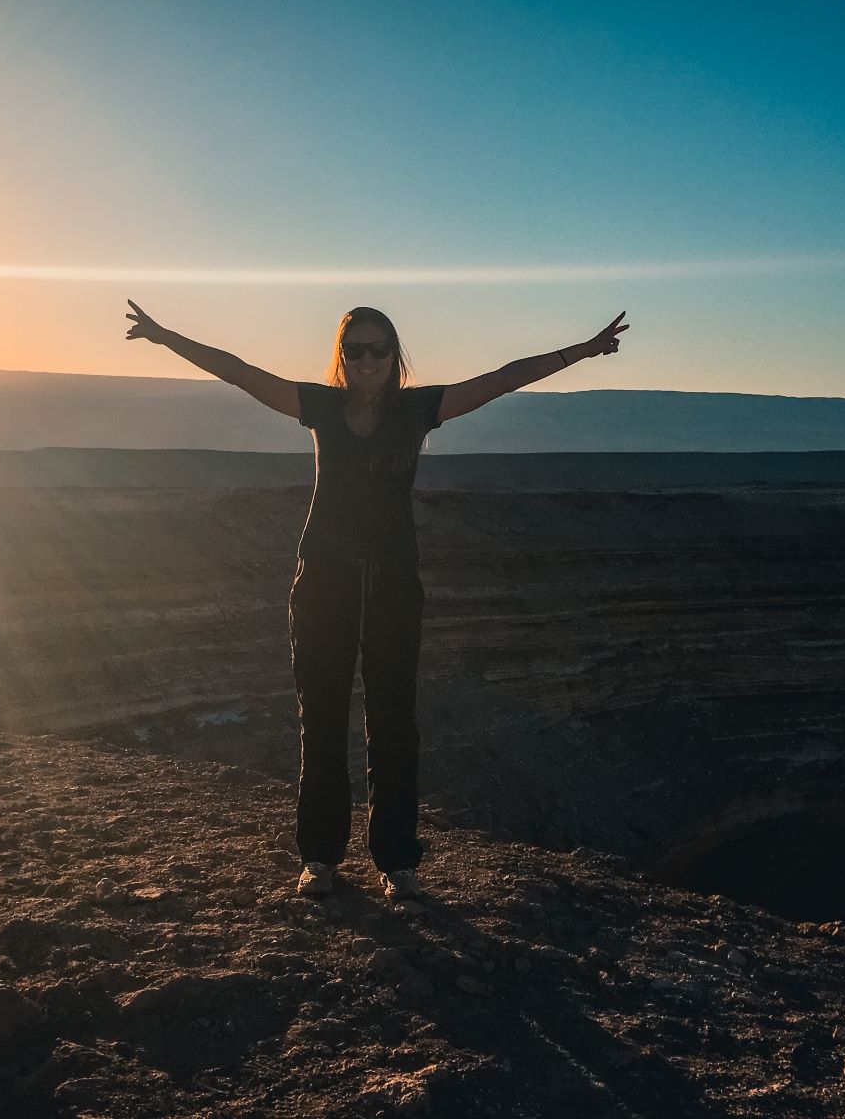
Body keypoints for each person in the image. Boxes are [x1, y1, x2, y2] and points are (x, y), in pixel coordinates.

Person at [124, 300, 629, 900]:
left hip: (392, 583)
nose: (366, 360)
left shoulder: (419, 409)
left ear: (395, 355)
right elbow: (238, 371)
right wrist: (166, 337)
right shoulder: (320, 406)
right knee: (323, 720)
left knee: (395, 725)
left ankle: (396, 860)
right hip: (324, 583)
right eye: (354, 349)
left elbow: (503, 379)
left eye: (377, 348)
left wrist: (584, 350)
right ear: (341, 357)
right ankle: (320, 857)